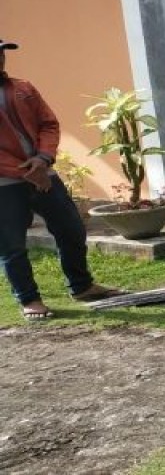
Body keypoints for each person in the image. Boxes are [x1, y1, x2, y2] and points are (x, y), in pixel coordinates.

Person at [0, 39, 125, 320]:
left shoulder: (23, 88)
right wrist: (28, 172)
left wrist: (43, 159)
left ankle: (81, 286)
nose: (0, 58)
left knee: (71, 229)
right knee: (12, 245)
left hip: (43, 172)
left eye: (1, 52)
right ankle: (29, 299)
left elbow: (49, 123)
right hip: (6, 184)